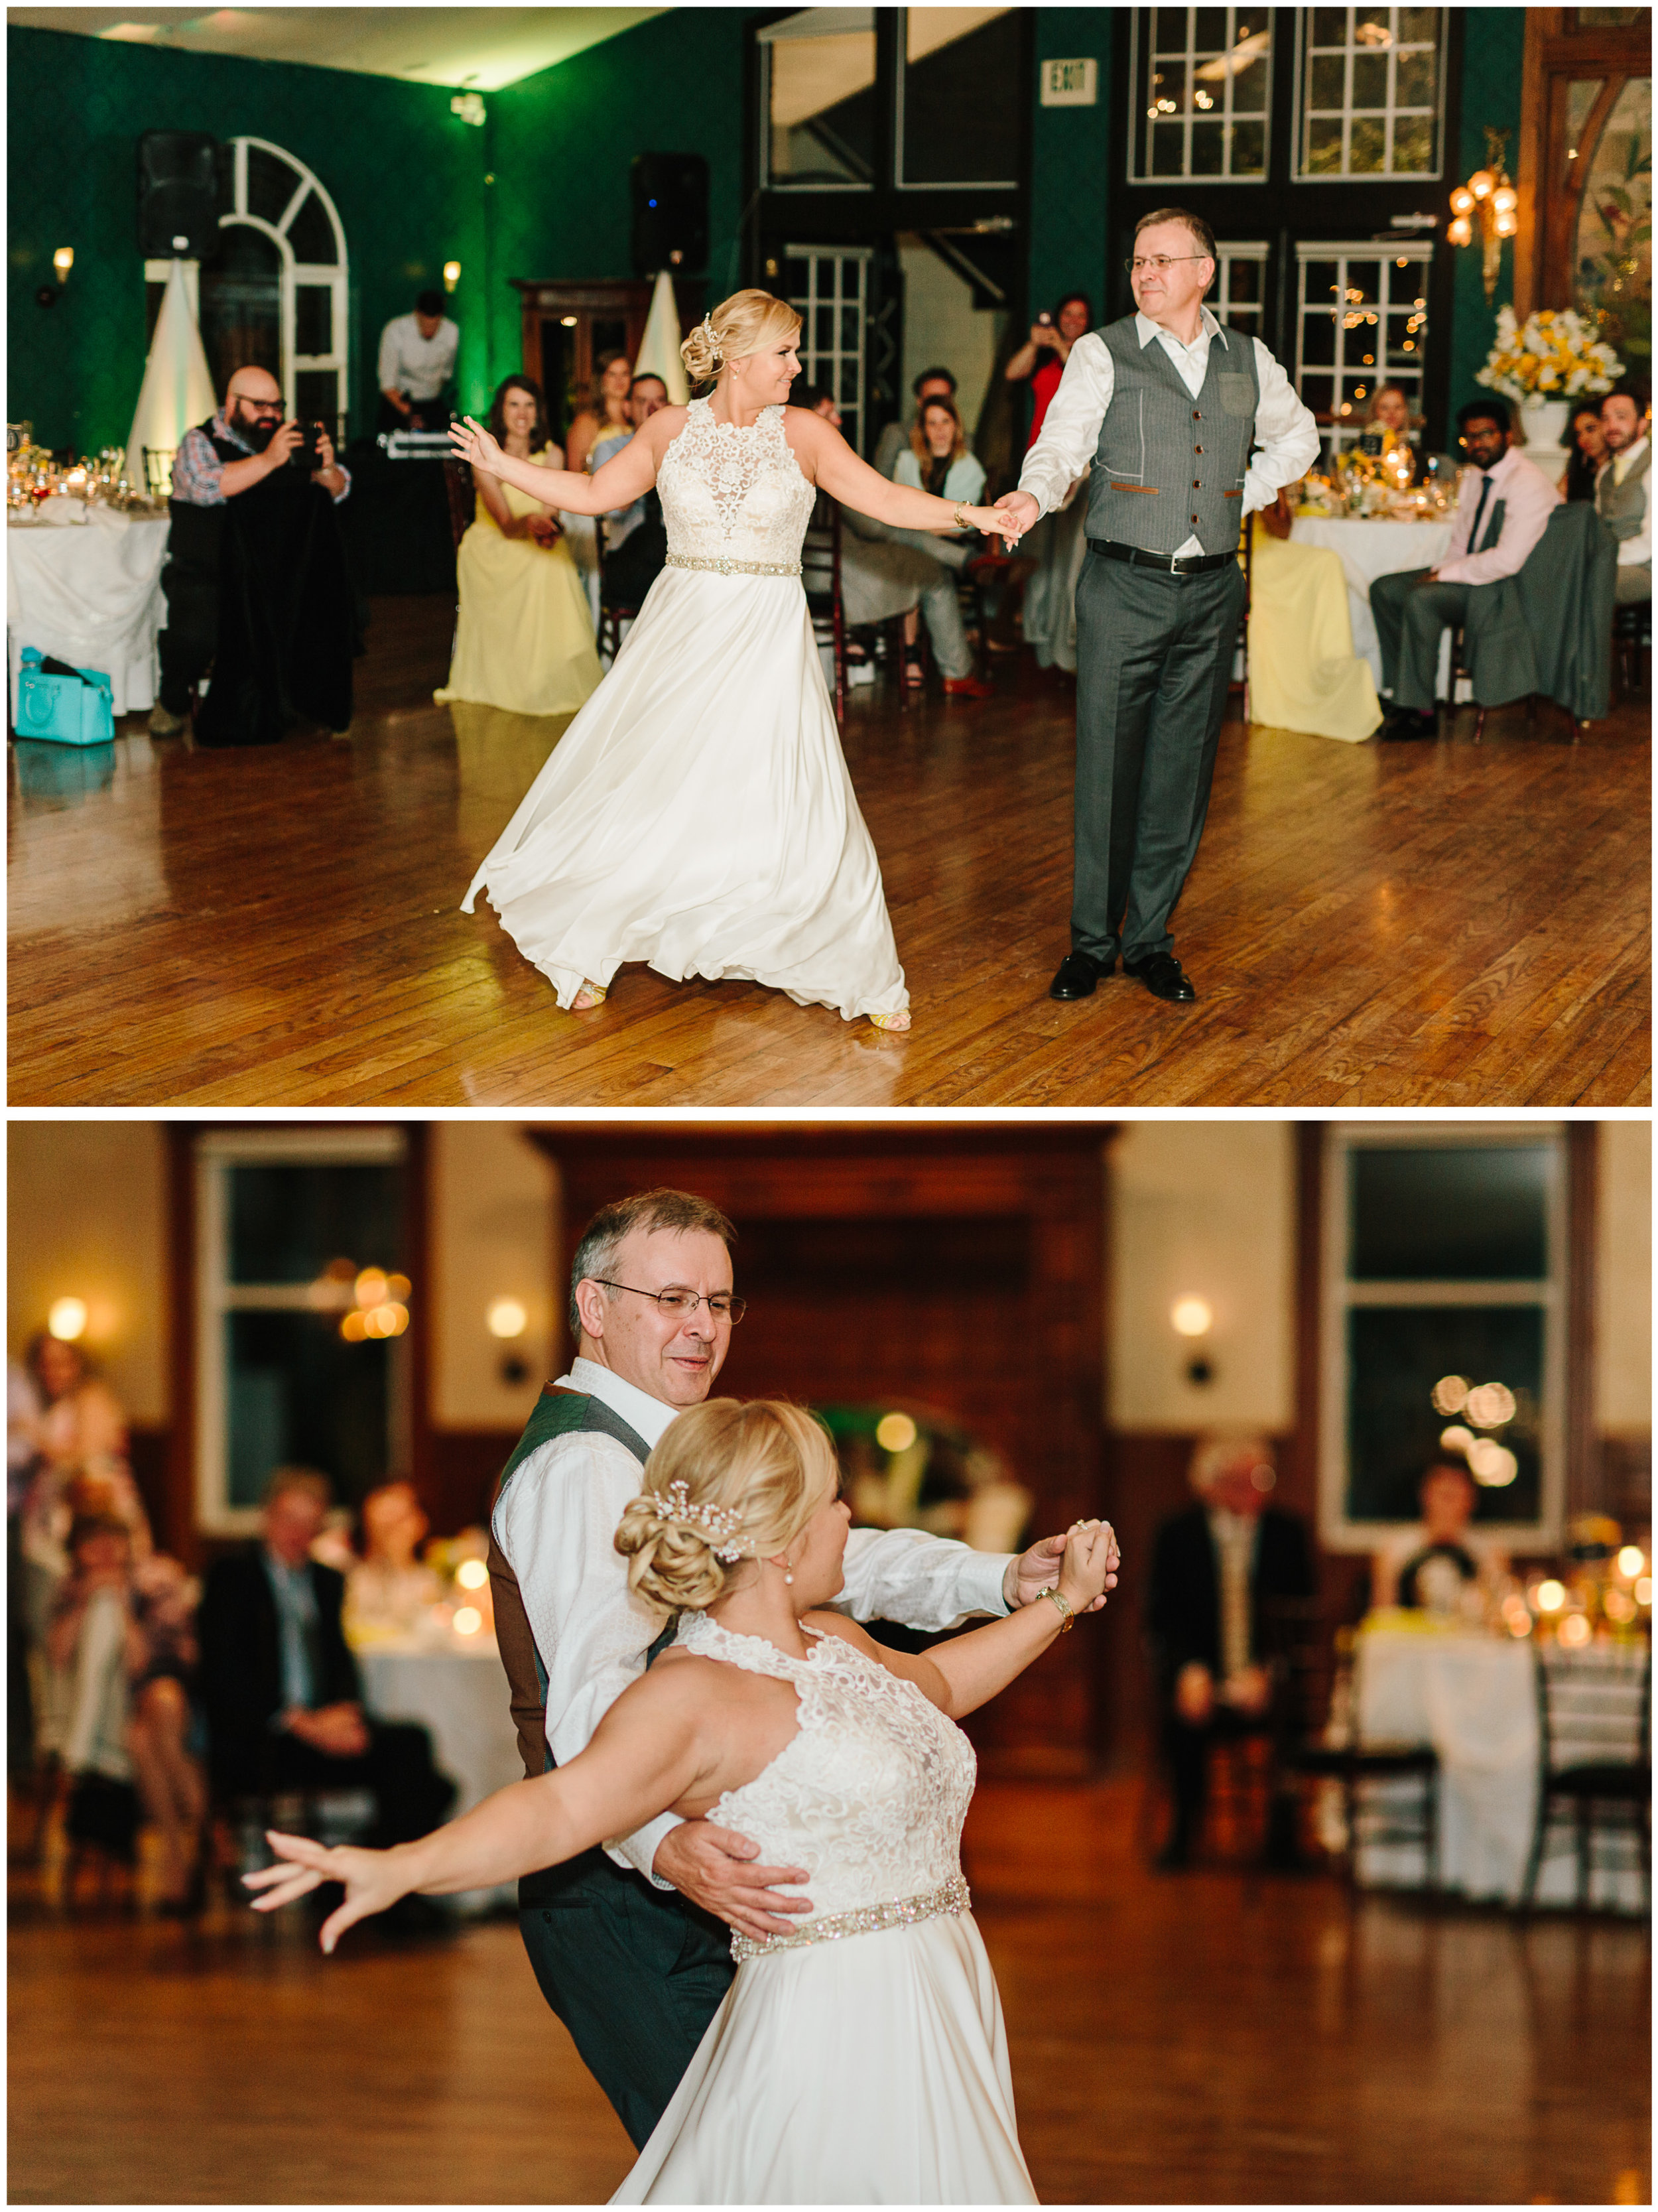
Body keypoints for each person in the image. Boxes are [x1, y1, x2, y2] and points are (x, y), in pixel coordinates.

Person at [247, 1396, 1118, 2203]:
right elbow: (557, 1807)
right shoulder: (693, 1693)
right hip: (836, 2032)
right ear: (781, 1537)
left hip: (939, 1994)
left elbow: (940, 1681)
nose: (852, 1515)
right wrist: (400, 1863)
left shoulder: (837, 1639)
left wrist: (1063, 1602)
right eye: (834, 1499)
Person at [474, 1184, 1116, 2152]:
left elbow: (813, 1558)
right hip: (629, 1902)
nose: (702, 1325)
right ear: (593, 1306)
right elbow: (595, 1693)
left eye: (719, 1301)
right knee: (743, 2166)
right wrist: (660, 1845)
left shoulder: (679, 1445)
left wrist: (997, 1575)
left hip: (721, 1880)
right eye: (672, 1298)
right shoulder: (584, 1467)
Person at [452, 289, 1021, 1028]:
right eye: (785, 351)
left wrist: (974, 515)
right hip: (680, 631)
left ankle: (844, 956)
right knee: (649, 790)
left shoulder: (805, 434)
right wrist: (503, 466)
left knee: (783, 794)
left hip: (764, 633)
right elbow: (593, 492)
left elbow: (882, 498)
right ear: (741, 357)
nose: (797, 364)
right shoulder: (666, 428)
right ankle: (589, 939)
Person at [997, 208, 1319, 1007]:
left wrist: (1245, 493)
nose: (1144, 273)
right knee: (1107, 765)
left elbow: (1299, 437)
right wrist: (1032, 497)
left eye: (1162, 260)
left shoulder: (1249, 358)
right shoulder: (1101, 352)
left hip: (1212, 590)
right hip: (1122, 586)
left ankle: (1148, 942)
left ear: (1204, 271)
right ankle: (1091, 944)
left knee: (1182, 770)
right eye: (1137, 260)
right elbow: (1062, 444)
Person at [197, 1466, 453, 1857]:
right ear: (267, 1517)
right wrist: (302, 1722)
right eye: (289, 1519)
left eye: (309, 1523)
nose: (298, 1533)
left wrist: (346, 1713)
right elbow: (226, 1673)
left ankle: (379, 1879)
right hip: (264, 1738)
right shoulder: (233, 1577)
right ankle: (373, 1885)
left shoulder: (326, 1581)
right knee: (418, 1780)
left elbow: (339, 1658)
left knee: (413, 1749)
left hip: (323, 1726)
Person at [149, 364, 359, 747]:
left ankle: (307, 702)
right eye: (260, 406)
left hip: (272, 574)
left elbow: (338, 491)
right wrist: (270, 460)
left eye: (277, 406)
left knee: (334, 604)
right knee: (196, 631)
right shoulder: (199, 441)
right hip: (208, 570)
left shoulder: (284, 441)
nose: (272, 416)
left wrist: (327, 468)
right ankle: (172, 700)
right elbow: (205, 487)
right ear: (232, 403)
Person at [1146, 1433, 1316, 1870]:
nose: (1252, 1488)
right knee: (1183, 1716)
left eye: (1260, 1477)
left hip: (1264, 1674)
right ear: (1211, 1485)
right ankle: (1184, 1829)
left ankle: (1284, 1835)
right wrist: (1188, 1670)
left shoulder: (1287, 1534)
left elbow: (1301, 1618)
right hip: (1202, 1672)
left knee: (1295, 1717)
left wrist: (1268, 1671)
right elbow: (1162, 1616)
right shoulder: (1177, 1535)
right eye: (1239, 1479)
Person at [1371, 396, 1562, 740]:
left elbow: (1507, 560)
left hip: (1508, 589)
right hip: (1476, 574)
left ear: (1507, 435)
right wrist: (1442, 569)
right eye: (1470, 438)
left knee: (1423, 599)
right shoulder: (1476, 475)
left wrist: (1442, 576)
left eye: (1486, 435)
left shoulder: (1527, 482)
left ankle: (1421, 710)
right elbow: (1461, 542)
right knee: (1385, 589)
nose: (1477, 444)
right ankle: (1399, 694)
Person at [434, 374, 602, 719]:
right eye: (514, 404)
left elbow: (550, 514)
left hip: (535, 537)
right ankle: (523, 678)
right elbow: (508, 525)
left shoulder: (552, 453)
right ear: (501, 411)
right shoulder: (486, 456)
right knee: (542, 565)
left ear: (539, 412)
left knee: (557, 561)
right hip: (495, 541)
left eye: (529, 405)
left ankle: (555, 672)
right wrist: (529, 526)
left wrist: (546, 530)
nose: (522, 413)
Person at [1244, 488, 1382, 742]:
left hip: (1268, 546)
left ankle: (1332, 662)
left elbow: (1284, 530)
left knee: (1326, 562)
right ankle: (1292, 688)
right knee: (1321, 564)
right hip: (1242, 557)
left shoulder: (1267, 474)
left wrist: (1281, 495)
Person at [1370, 1459, 1510, 1614]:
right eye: (1444, 1495)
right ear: (1425, 1495)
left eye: (1457, 1496)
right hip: (1411, 1637)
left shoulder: (1489, 1553)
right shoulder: (1395, 1550)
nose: (1448, 1505)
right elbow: (1382, 1615)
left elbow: (1495, 1614)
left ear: (1471, 1499)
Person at [597, 373, 672, 617]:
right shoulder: (611, 449)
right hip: (628, 562)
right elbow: (613, 509)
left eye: (659, 401)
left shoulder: (681, 448)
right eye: (643, 401)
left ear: (668, 407)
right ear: (628, 407)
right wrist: (646, 449)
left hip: (672, 563)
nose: (652, 408)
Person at [344, 1480, 442, 1642]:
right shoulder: (349, 1573)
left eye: (402, 1519)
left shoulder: (431, 1575)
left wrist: (400, 1561)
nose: (396, 1533)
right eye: (388, 1526)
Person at [1004, 291, 1094, 448]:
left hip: (1075, 443)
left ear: (1087, 321)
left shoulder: (1092, 352)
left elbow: (1085, 381)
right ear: (1058, 317)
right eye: (1068, 314)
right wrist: (1033, 343)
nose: (1074, 320)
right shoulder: (1045, 354)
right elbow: (1012, 373)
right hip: (1041, 440)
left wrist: (1060, 347)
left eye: (1081, 315)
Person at [377, 288, 459, 434]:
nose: (430, 331)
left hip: (433, 403)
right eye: (425, 325)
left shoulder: (452, 331)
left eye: (435, 325)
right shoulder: (395, 330)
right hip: (399, 402)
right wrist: (410, 413)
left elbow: (447, 374)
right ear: (417, 314)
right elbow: (387, 382)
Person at [1596, 381, 1651, 604]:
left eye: (1621, 417)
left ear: (1642, 424)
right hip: (1612, 563)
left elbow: (1651, 543)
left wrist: (1602, 560)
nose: (1611, 426)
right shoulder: (1605, 472)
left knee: (1586, 585)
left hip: (1647, 567)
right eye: (1606, 418)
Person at [873, 366, 962, 482]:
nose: (937, 405)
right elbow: (881, 480)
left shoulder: (965, 441)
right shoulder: (897, 434)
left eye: (943, 399)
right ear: (919, 401)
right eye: (931, 399)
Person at [1560, 401, 1609, 501]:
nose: (1584, 439)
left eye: (1591, 429)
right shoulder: (1577, 474)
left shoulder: (1620, 471)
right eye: (1579, 434)